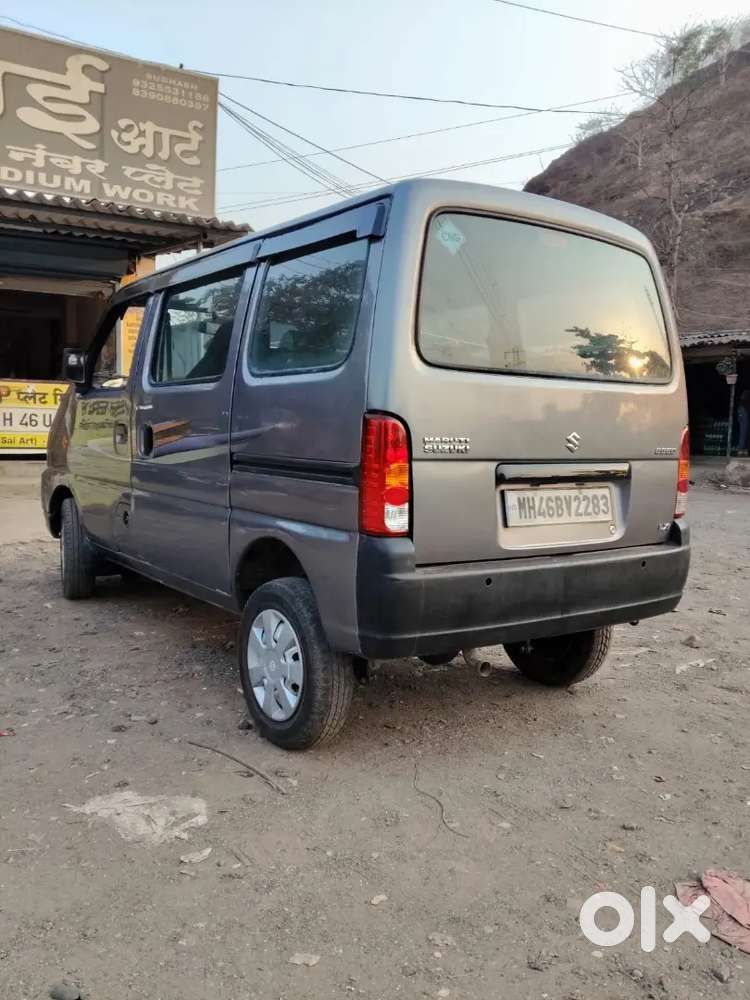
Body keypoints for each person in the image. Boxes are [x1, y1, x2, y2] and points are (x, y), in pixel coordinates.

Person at [737, 388, 750, 457]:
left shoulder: (743, 402)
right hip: (744, 416)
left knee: (746, 434)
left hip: (745, 416)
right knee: (743, 433)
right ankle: (741, 449)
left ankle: (745, 450)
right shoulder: (743, 402)